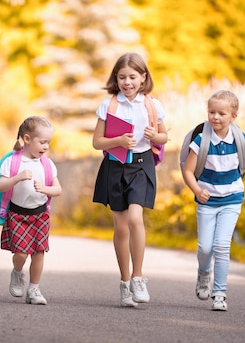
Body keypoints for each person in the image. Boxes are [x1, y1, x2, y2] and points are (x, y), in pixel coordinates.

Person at [92, 52, 168, 307]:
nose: (127, 82)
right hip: (115, 166)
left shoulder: (152, 105)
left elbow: (164, 137)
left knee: (136, 218)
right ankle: (125, 283)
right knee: (121, 226)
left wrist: (154, 136)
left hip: (141, 165)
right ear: (116, 78)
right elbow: (97, 142)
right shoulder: (109, 104)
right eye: (122, 77)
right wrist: (119, 141)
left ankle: (138, 277)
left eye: (133, 77)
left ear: (143, 77)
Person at [182, 90, 245, 311]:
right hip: (206, 200)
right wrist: (198, 190)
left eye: (221, 113)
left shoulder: (241, 139)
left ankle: (219, 293)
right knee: (206, 248)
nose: (215, 117)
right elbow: (188, 171)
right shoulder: (201, 140)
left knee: (221, 245)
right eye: (211, 112)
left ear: (233, 116)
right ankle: (203, 272)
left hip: (232, 199)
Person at [0, 116, 62, 305]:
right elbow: (1, 185)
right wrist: (17, 178)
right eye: (42, 142)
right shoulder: (12, 162)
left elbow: (58, 189)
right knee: (21, 253)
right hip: (18, 214)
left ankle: (34, 289)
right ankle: (17, 272)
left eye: (48, 143)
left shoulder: (47, 164)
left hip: (40, 214)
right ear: (27, 139)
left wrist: (45, 189)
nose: (46, 147)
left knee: (39, 252)